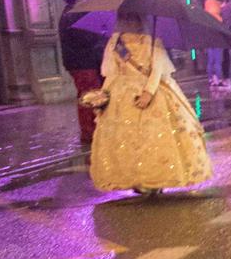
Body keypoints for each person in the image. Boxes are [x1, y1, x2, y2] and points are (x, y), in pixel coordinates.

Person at [88, 15, 212, 196]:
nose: (130, 23)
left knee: (154, 136)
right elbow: (113, 73)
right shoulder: (116, 42)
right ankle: (135, 178)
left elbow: (157, 69)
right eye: (128, 19)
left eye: (134, 19)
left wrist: (149, 92)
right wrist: (104, 96)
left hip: (150, 91)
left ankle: (155, 178)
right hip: (122, 93)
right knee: (126, 139)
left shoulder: (152, 41)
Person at [56, 0, 107, 148]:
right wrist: (101, 32)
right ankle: (89, 132)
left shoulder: (67, 15)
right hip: (84, 64)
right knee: (89, 96)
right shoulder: (75, 15)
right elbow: (87, 39)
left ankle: (90, 130)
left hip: (79, 63)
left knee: (87, 95)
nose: (86, 0)